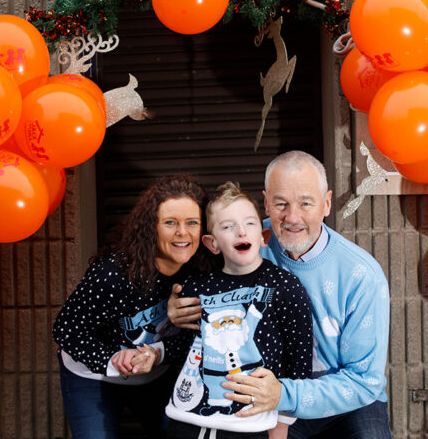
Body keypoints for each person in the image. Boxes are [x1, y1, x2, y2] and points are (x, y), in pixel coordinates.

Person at [169, 151, 392, 439]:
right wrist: (173, 309)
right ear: (266, 202)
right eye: (281, 204)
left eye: (306, 203)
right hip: (263, 388)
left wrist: (283, 395)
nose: (292, 217)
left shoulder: (361, 275)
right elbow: (203, 283)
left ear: (326, 204)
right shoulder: (246, 238)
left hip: (344, 399)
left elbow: (364, 383)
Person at [124, 181, 314, 439]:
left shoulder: (285, 287)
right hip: (186, 419)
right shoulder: (196, 286)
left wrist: (282, 423)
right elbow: (188, 346)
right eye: (228, 226)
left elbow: (299, 360)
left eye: (249, 223)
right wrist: (155, 353)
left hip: (248, 425)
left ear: (263, 236)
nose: (240, 232)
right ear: (212, 243)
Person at [52, 173, 210, 439]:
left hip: (155, 374)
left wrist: (156, 354)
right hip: (92, 375)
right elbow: (66, 330)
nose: (182, 233)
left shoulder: (202, 273)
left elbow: (199, 339)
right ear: (152, 227)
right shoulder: (113, 276)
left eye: (192, 223)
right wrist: (112, 359)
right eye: (170, 222)